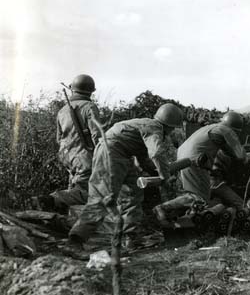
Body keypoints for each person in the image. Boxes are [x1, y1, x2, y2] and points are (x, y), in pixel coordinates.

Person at [65, 103, 184, 254]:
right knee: (102, 198)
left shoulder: (145, 124)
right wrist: (165, 176)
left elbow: (143, 159)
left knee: (133, 193)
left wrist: (154, 172)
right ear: (170, 126)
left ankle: (131, 238)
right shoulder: (155, 128)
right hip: (111, 154)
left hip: (121, 155)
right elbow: (156, 153)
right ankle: (75, 241)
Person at [154, 111, 250, 227]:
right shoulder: (226, 130)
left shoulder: (211, 127)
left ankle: (178, 218)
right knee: (199, 198)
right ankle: (163, 208)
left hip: (183, 157)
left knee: (197, 194)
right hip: (196, 160)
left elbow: (221, 147)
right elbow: (240, 155)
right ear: (235, 128)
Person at [32, 75, 102, 213]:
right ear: (91, 91)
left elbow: (59, 138)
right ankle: (50, 200)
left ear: (73, 89)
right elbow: (97, 136)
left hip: (66, 156)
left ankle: (62, 216)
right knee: (86, 193)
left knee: (74, 189)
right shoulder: (89, 107)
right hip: (84, 157)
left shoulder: (62, 111)